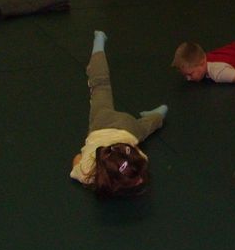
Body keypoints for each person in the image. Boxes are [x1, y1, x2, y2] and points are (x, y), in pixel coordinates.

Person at [70, 31, 169, 198]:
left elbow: (77, 158)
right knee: (100, 85)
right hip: (104, 124)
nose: (140, 180)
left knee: (145, 127)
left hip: (126, 128)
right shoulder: (87, 172)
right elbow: (77, 158)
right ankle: (99, 41)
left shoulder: (91, 175)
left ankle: (161, 112)